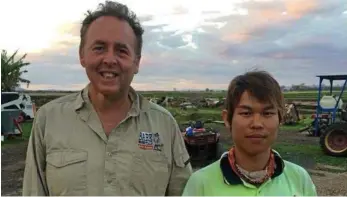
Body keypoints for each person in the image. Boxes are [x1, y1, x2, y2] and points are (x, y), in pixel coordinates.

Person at [22, 1, 192, 196]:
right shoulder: (48, 120)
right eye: (99, 48)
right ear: (82, 55)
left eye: (121, 50)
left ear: (136, 62)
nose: (110, 59)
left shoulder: (165, 126)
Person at [182, 70, 317, 196]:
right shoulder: (201, 184)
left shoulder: (299, 179)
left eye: (268, 113)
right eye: (246, 113)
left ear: (280, 119)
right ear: (227, 119)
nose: (257, 124)